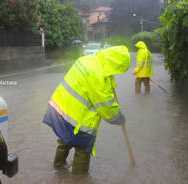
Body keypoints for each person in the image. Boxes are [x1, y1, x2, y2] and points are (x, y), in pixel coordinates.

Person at [43, 46, 130, 174]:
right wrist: (119, 118)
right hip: (78, 121)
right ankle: (79, 178)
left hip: (59, 110)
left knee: (64, 140)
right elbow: (108, 110)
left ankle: (58, 166)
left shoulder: (86, 60)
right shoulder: (100, 78)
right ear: (116, 65)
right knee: (82, 150)